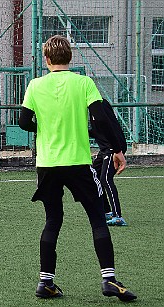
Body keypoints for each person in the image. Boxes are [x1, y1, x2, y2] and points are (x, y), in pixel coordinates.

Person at [18, 35, 136, 301]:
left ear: (46, 60)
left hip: (47, 164)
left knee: (52, 220)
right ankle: (108, 279)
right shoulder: (83, 82)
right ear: (70, 58)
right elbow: (102, 117)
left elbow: (24, 121)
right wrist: (118, 149)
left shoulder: (35, 85)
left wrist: (44, 129)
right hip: (78, 161)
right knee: (97, 216)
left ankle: (45, 283)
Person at [90, 98, 128, 226]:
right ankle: (107, 212)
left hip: (113, 147)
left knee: (105, 179)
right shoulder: (90, 108)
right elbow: (98, 131)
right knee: (93, 176)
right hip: (105, 149)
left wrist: (117, 150)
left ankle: (118, 216)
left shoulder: (100, 104)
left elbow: (110, 127)